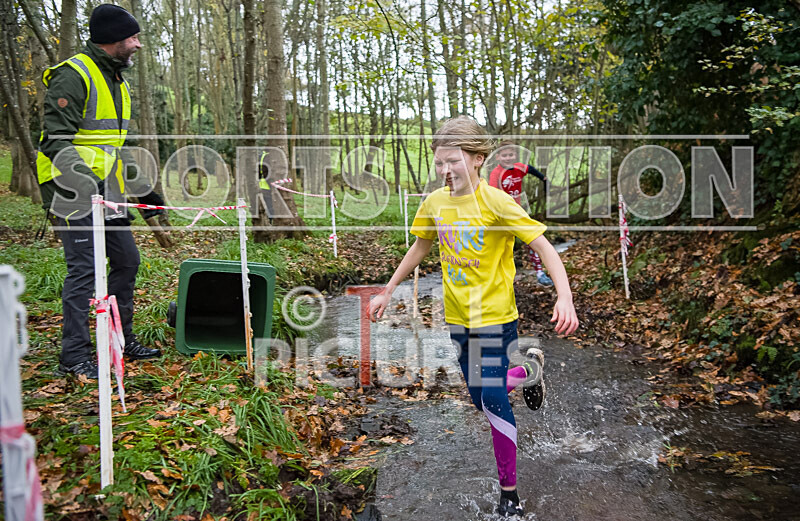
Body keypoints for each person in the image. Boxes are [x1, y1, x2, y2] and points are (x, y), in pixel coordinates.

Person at [368, 117, 579, 517]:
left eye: (453, 161)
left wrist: (564, 297)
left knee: (495, 399)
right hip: (458, 319)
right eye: (440, 163)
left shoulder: (498, 202)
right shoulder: (435, 203)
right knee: (482, 398)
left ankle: (510, 495)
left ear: (478, 159)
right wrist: (388, 289)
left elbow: (547, 248)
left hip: (495, 317)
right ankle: (530, 369)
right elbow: (420, 247)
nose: (446, 170)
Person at [36, 4, 164, 379]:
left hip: (107, 191)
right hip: (70, 190)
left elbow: (115, 149)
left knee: (127, 261)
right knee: (85, 271)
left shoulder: (119, 83)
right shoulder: (73, 76)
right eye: (133, 38)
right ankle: (73, 356)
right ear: (113, 40)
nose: (138, 45)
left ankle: (120, 340)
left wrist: (146, 194)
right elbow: (54, 141)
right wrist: (84, 184)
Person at [488, 141, 553, 286]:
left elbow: (531, 169)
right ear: (498, 157)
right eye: (504, 155)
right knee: (500, 245)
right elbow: (491, 194)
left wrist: (544, 179)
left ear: (515, 155)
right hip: (502, 214)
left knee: (532, 240)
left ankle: (540, 273)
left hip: (518, 211)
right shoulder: (496, 173)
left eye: (511, 154)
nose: (508, 158)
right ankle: (496, 276)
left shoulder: (519, 167)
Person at [258, 150, 274, 224]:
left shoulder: (261, 156)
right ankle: (270, 220)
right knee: (270, 204)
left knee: (267, 204)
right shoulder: (269, 156)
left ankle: (269, 220)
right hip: (269, 185)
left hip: (262, 184)